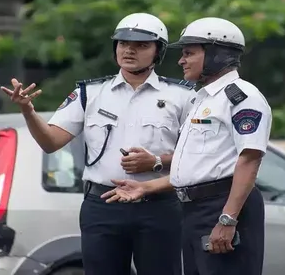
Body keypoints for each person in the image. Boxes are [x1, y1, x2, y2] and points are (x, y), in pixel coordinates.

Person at [1, 13, 196, 275]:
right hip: (103, 206)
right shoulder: (90, 93)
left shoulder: (183, 96)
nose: (129, 50)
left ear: (158, 51)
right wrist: (28, 111)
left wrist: (157, 161)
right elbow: (50, 142)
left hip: (159, 206)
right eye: (123, 43)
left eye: (141, 45)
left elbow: (197, 155)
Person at [101, 17, 272, 275]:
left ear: (217, 55)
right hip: (194, 209)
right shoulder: (203, 100)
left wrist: (228, 218)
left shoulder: (241, 97)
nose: (181, 60)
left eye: (189, 53)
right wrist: (146, 186)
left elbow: (249, 160)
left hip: (221, 206)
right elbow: (195, 167)